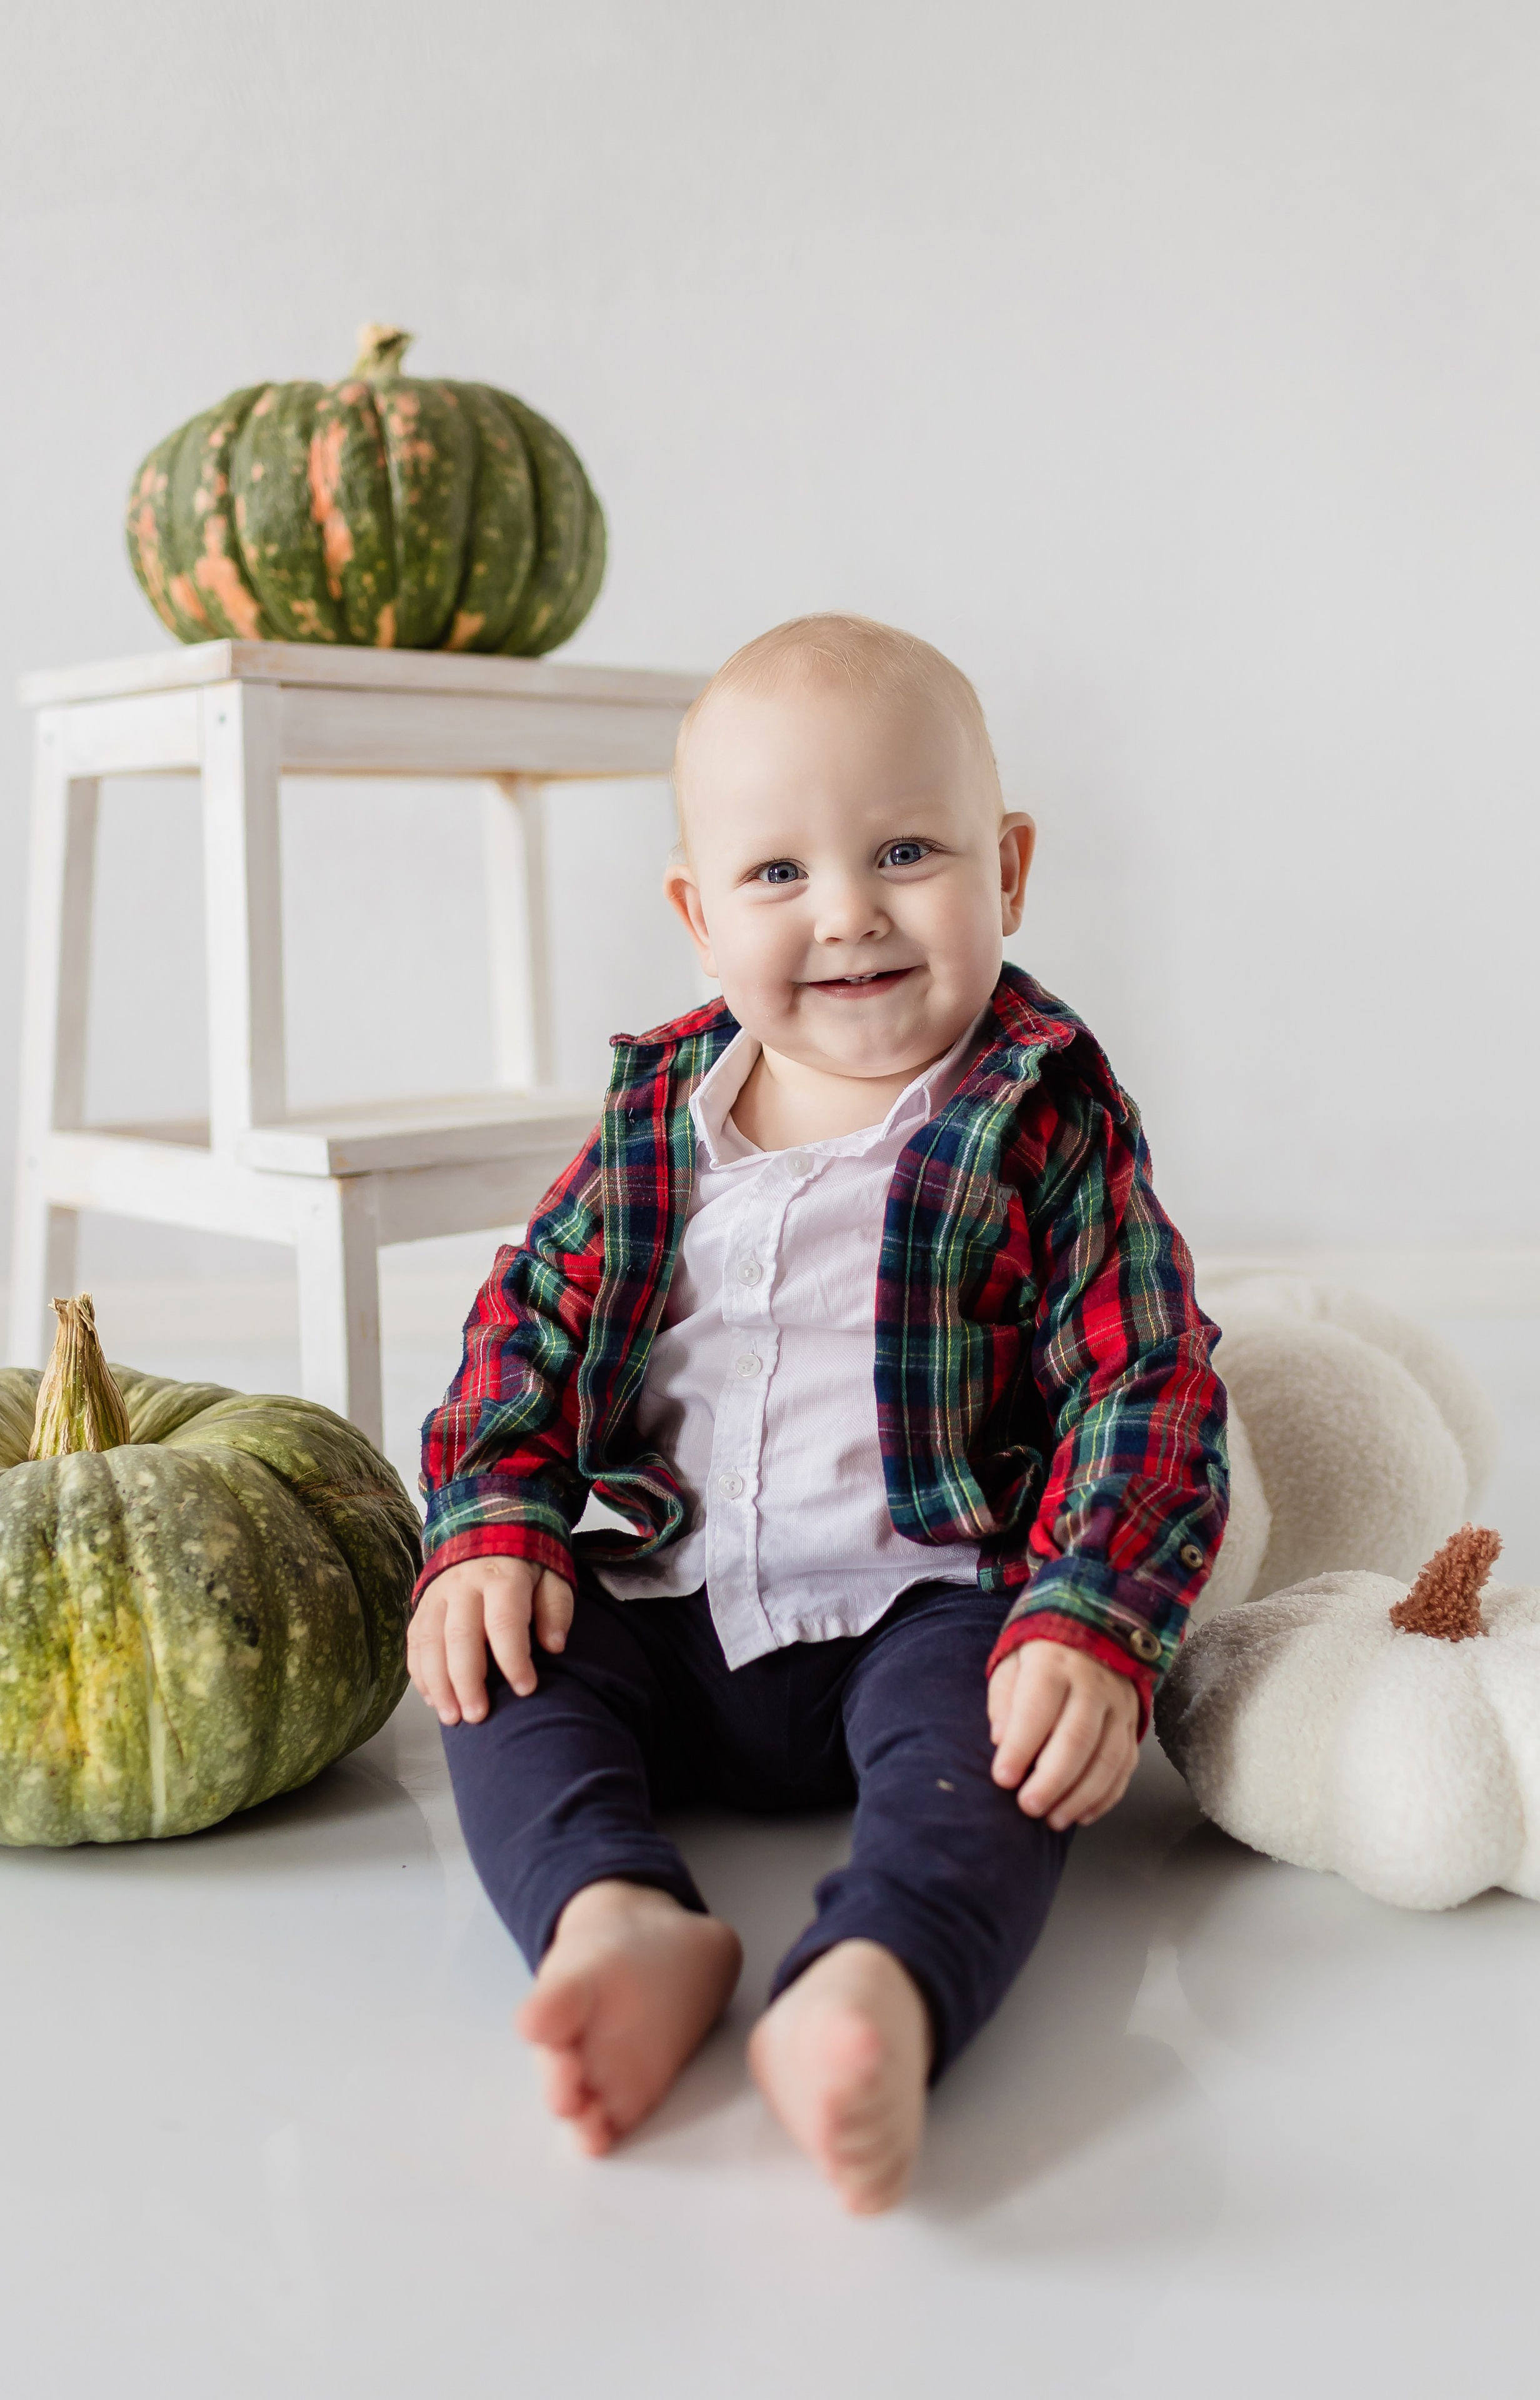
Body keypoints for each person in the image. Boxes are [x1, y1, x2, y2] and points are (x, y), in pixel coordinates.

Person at [409, 613, 1228, 2212]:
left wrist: (1086, 1618)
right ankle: (614, 1919)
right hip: (668, 1604)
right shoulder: (660, 1116)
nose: (847, 913)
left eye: (904, 851)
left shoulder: (1037, 1113)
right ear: (696, 913)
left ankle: (878, 1980)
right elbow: (533, 1321)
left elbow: (1146, 1374)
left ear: (1007, 869)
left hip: (919, 1602)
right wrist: (491, 1519)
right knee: (503, 1665)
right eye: (776, 875)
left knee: (1008, 1754)